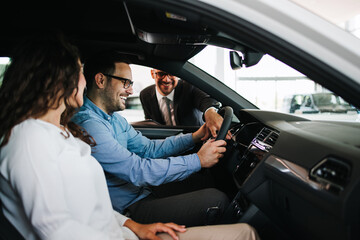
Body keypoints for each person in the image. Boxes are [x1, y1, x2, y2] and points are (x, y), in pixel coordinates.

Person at [0, 34, 259, 240]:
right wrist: (197, 161)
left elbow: (143, 153)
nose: (83, 80)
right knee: (242, 229)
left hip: (124, 226)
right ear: (57, 79)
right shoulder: (32, 140)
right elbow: (56, 229)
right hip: (123, 222)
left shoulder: (65, 132)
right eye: (79, 71)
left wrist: (133, 226)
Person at [72, 52, 230, 227]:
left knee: (204, 181)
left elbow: (149, 149)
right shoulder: (90, 125)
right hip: (128, 209)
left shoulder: (113, 118)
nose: (131, 90)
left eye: (130, 84)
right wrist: (198, 160)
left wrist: (195, 137)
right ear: (101, 80)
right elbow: (137, 170)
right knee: (218, 200)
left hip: (141, 191)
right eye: (125, 83)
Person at [140, 69, 224, 138]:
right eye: (161, 74)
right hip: (165, 143)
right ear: (152, 74)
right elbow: (150, 123)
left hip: (195, 140)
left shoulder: (189, 87)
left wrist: (210, 112)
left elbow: (205, 100)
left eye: (172, 74)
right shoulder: (145, 94)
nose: (167, 79)